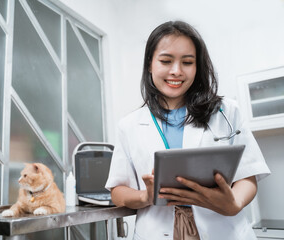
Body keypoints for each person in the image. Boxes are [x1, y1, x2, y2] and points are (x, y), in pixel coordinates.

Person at [105, 21, 270, 240]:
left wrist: (234, 203)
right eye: (166, 61)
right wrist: (146, 196)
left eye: (187, 62)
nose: (176, 71)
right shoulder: (129, 125)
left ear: (197, 67)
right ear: (150, 64)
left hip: (222, 229)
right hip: (156, 230)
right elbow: (117, 191)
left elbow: (248, 175)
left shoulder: (225, 111)